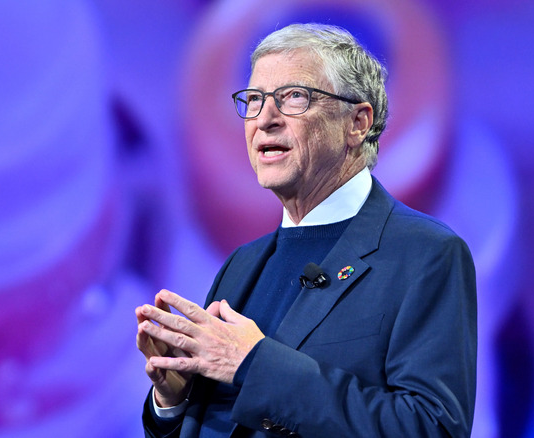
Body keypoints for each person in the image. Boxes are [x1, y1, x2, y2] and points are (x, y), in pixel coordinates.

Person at [136, 23, 477, 437]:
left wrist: (253, 364)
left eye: (294, 97)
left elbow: (430, 428)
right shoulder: (241, 265)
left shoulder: (425, 255)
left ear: (357, 122)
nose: (264, 120)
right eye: (255, 100)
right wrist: (174, 402)